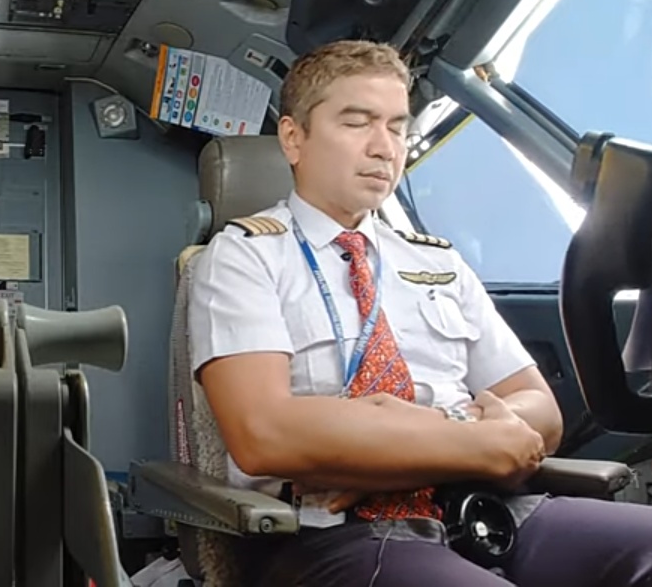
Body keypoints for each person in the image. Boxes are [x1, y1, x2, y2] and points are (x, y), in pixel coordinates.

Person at [188, 40, 652, 586]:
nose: (385, 148)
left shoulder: (438, 261)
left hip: (493, 507)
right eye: (357, 123)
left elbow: (540, 414)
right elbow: (265, 434)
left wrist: (412, 440)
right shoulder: (243, 257)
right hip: (338, 532)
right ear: (294, 138)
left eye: (396, 126)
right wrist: (479, 441)